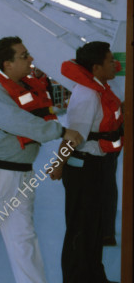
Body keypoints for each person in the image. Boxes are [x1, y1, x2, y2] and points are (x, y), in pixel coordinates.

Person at [0, 37, 83, 283]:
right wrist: (62, 132)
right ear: (7, 64)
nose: (30, 59)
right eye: (24, 56)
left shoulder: (27, 88)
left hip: (22, 174)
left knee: (24, 238)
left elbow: (39, 118)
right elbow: (17, 121)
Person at [49, 41, 123, 283]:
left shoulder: (100, 88)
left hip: (97, 166)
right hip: (83, 169)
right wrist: (59, 165)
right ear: (96, 67)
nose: (115, 65)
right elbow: (73, 136)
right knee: (80, 230)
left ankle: (94, 277)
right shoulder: (88, 94)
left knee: (94, 228)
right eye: (110, 61)